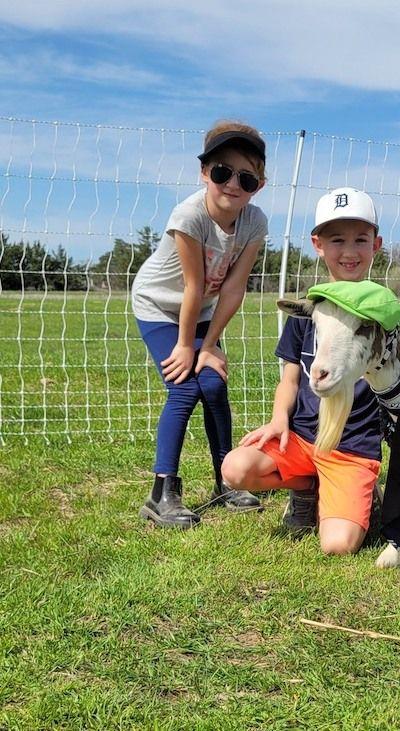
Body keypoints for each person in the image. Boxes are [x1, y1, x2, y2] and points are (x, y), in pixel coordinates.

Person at [221, 187, 384, 555]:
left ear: (375, 245)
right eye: (337, 240)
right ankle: (307, 488)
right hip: (301, 439)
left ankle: (364, 494)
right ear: (318, 245)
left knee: (338, 546)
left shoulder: (382, 315)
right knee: (235, 468)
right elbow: (290, 378)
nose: (349, 251)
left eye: (360, 240)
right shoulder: (308, 311)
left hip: (351, 448)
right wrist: (279, 419)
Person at [132, 120, 268, 528]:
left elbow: (233, 288)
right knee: (185, 385)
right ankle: (161, 493)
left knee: (213, 383)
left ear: (259, 185)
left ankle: (226, 481)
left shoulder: (254, 222)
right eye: (222, 172)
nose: (233, 184)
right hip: (160, 305)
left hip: (203, 309)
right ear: (204, 172)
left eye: (246, 178)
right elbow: (193, 285)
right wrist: (185, 347)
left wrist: (208, 346)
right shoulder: (189, 216)